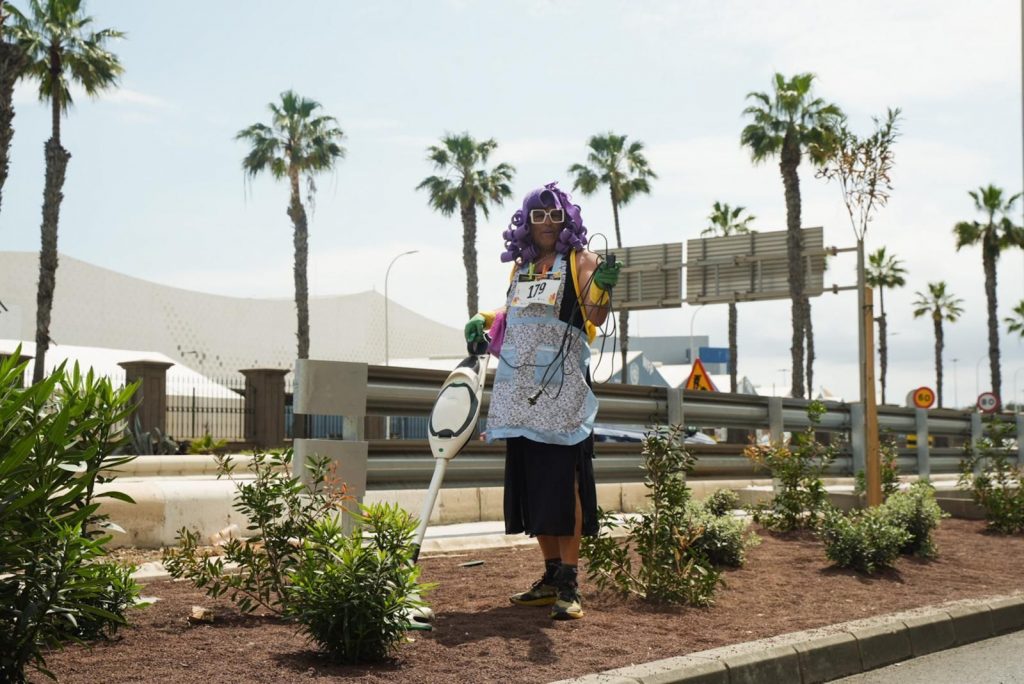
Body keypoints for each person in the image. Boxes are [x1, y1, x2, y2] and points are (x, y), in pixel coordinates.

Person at [464, 182, 621, 620]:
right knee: (532, 483)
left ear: (566, 218)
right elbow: (514, 314)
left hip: (562, 387)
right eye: (538, 216)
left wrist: (602, 290)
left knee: (563, 480)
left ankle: (570, 584)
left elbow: (594, 315)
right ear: (526, 223)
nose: (547, 223)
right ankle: (550, 577)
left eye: (554, 216)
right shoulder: (523, 268)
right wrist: (484, 317)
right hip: (519, 390)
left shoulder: (581, 260)